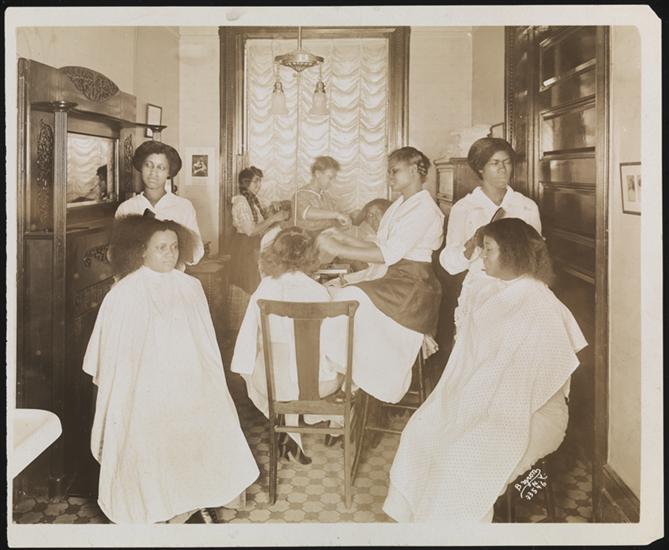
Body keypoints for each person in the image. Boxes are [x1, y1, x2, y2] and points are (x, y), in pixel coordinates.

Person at [383, 218, 587, 523]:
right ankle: (421, 523)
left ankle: (454, 531)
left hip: (535, 410)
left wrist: (482, 405)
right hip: (488, 398)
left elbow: (532, 382)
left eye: (488, 250)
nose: (481, 258)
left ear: (512, 253)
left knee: (460, 454)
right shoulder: (498, 292)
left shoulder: (539, 304)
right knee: (422, 431)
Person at [82, 215, 259, 524]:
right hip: (143, 386)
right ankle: (164, 505)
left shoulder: (190, 286)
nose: (169, 254)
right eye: (161, 248)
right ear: (141, 251)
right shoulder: (123, 293)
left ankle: (197, 500)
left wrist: (208, 382)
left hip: (189, 377)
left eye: (174, 247)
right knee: (152, 433)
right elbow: (110, 354)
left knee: (209, 420)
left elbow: (204, 342)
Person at [317, 147, 444, 404]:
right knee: (346, 298)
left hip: (414, 287)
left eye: (394, 171)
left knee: (348, 298)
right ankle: (350, 376)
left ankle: (353, 377)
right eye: (388, 172)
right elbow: (380, 244)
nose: (390, 177)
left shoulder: (425, 209)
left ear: (413, 170)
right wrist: (343, 238)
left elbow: (388, 254)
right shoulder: (400, 204)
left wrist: (338, 248)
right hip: (397, 279)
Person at [231, 226, 344, 464]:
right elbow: (333, 346)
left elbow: (246, 342)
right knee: (338, 363)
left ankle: (288, 431)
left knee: (268, 358)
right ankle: (336, 425)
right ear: (311, 256)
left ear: (274, 254)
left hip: (270, 383)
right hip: (314, 385)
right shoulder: (319, 292)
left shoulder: (265, 288)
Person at [439, 137, 541, 330]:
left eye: (507, 162)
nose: (503, 169)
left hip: (519, 290)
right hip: (481, 289)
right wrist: (470, 247)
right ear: (480, 168)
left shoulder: (526, 206)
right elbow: (449, 264)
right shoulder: (464, 208)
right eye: (495, 163)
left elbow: (537, 256)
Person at [115, 140, 204, 265]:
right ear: (141, 167)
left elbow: (196, 254)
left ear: (169, 173)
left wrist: (177, 234)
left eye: (161, 167)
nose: (153, 172)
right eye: (148, 165)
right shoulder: (127, 208)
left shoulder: (183, 207)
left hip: (172, 274)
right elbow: (115, 253)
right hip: (138, 275)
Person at [229, 166, 290, 294]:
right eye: (256, 181)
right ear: (246, 182)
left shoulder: (254, 199)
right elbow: (250, 231)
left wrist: (275, 205)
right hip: (244, 247)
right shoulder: (241, 202)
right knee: (250, 286)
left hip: (253, 245)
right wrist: (273, 218)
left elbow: (266, 213)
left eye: (260, 181)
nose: (259, 185)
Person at [292, 156, 351, 233]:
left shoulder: (325, 196)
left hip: (328, 235)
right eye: (330, 178)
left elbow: (335, 218)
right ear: (318, 174)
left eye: (334, 178)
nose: (333, 182)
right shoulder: (300, 195)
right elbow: (307, 213)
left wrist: (344, 220)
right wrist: (337, 215)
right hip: (307, 238)